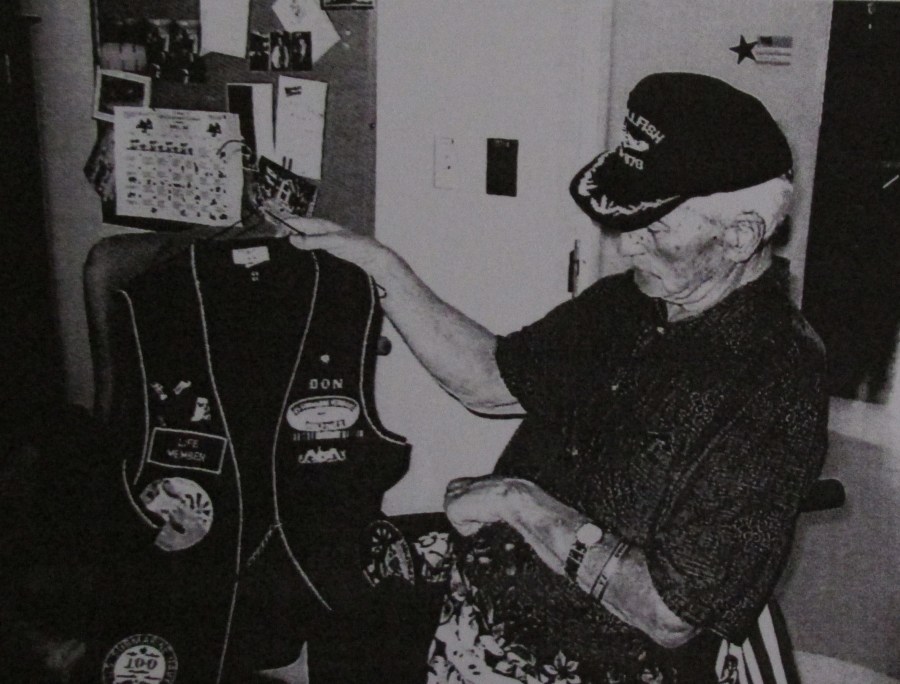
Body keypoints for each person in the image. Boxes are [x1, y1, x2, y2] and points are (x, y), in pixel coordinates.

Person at [288, 72, 827, 683]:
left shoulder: (775, 379)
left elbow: (671, 612)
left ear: (741, 236)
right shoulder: (629, 303)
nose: (625, 248)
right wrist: (378, 265)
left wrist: (519, 501)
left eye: (654, 228)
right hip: (486, 633)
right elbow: (490, 380)